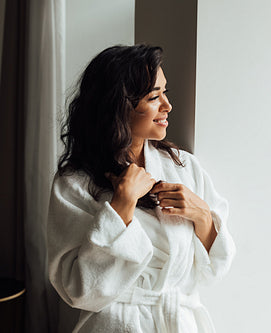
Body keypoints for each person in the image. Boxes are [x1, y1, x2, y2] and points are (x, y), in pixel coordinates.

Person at [47, 45, 236, 333]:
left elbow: (214, 270)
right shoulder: (75, 183)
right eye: (153, 97)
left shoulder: (184, 167)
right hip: (116, 325)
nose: (167, 106)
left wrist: (203, 217)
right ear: (118, 106)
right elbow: (78, 290)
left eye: (165, 92)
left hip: (179, 323)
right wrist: (121, 206)